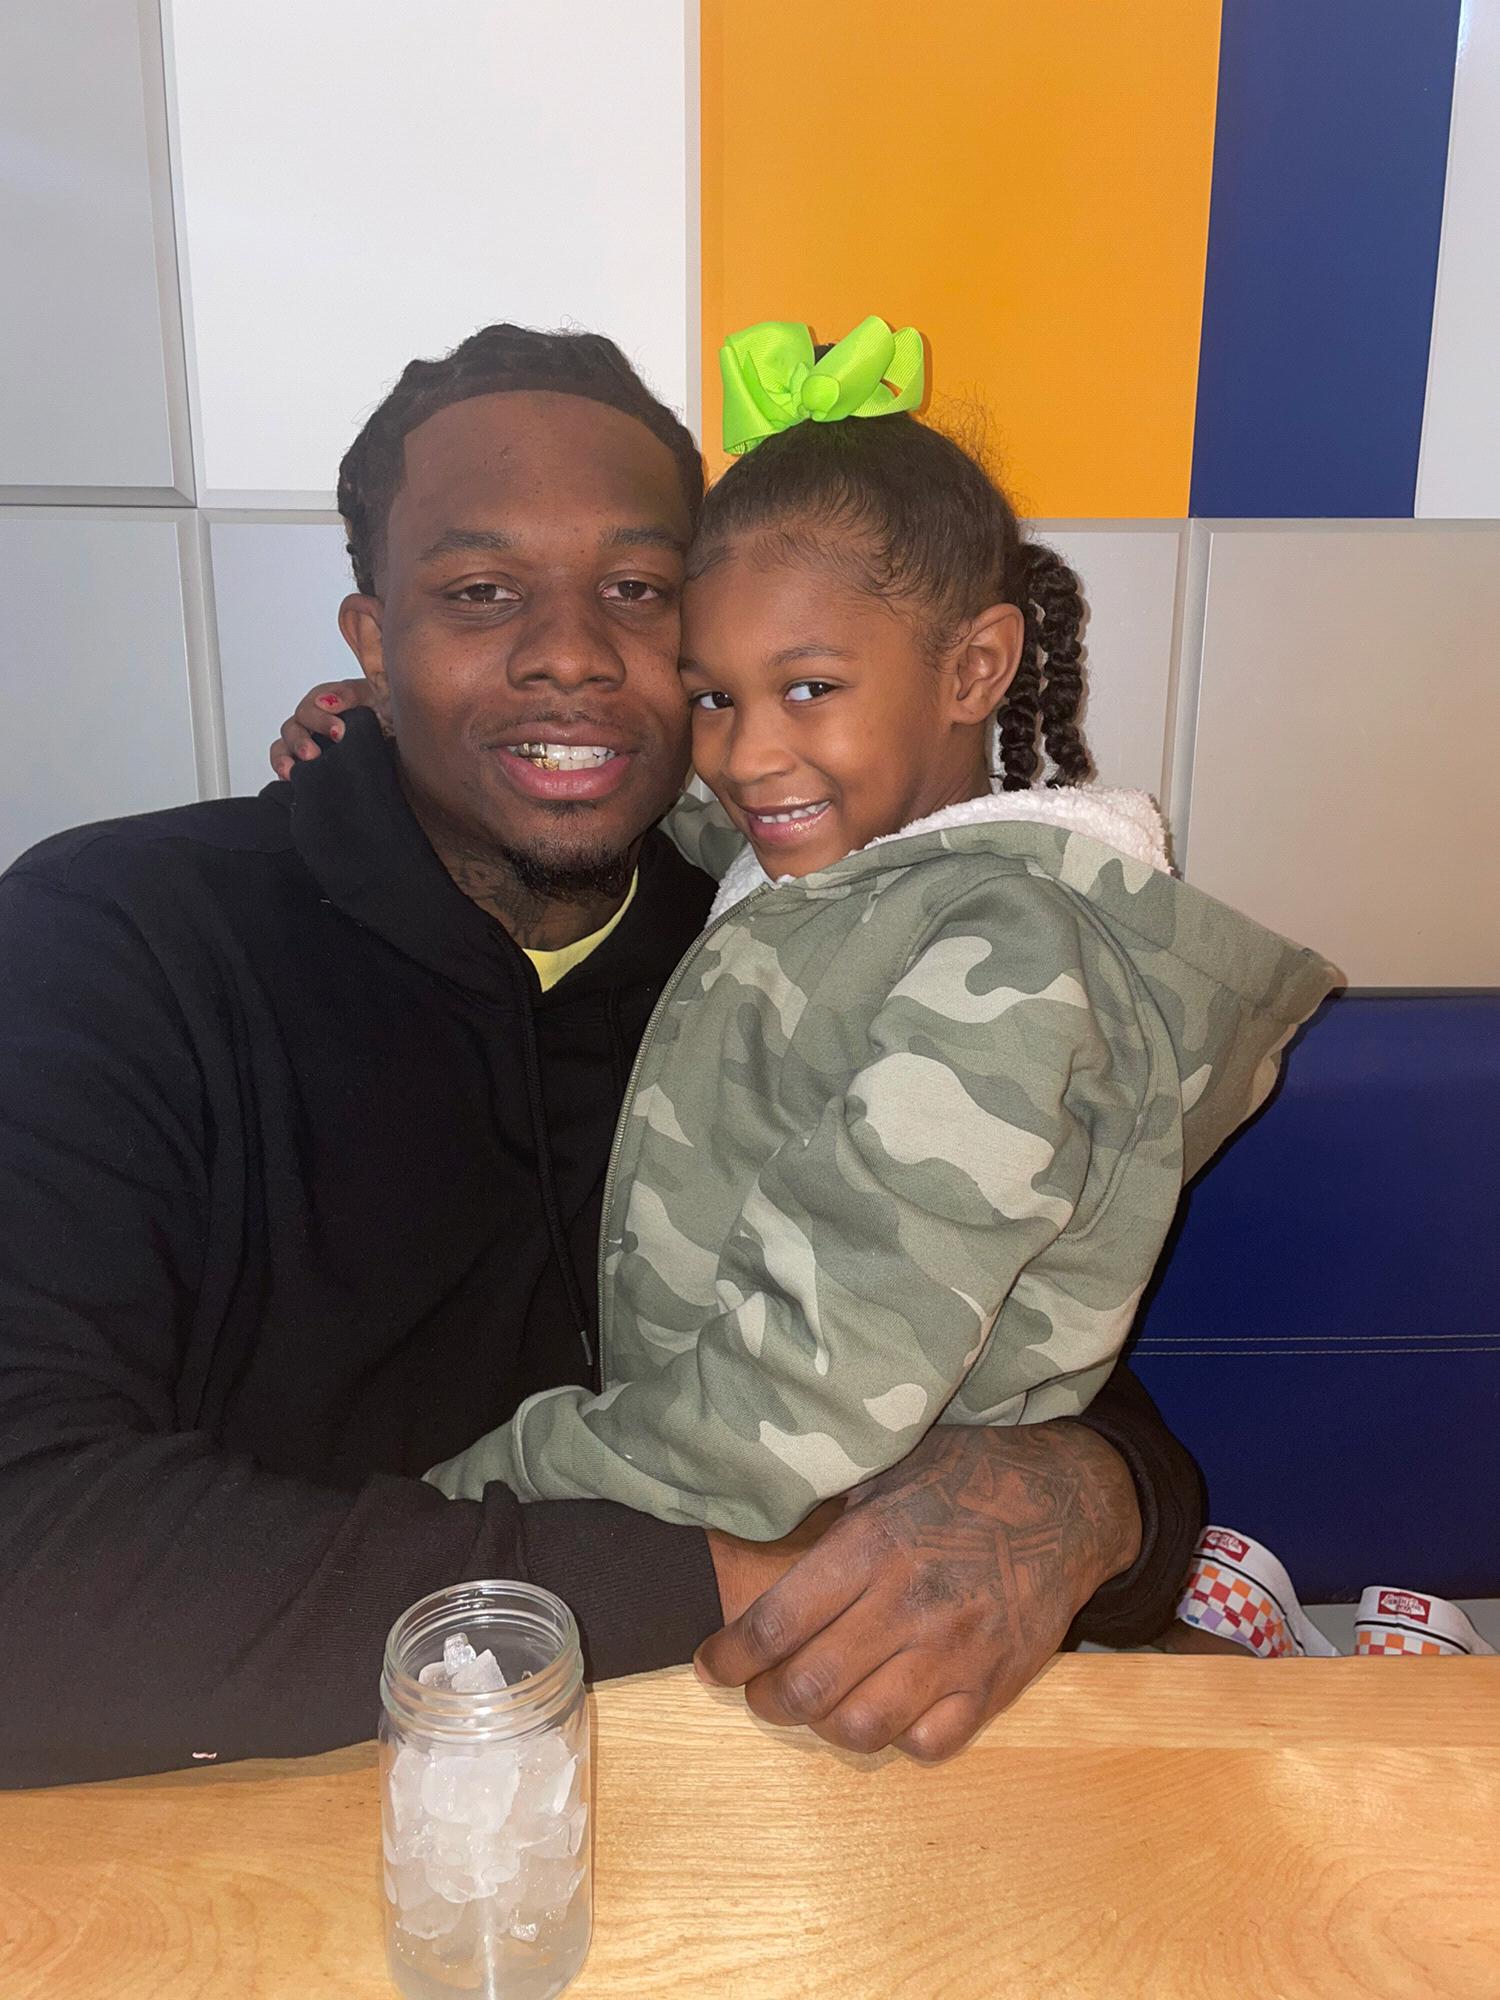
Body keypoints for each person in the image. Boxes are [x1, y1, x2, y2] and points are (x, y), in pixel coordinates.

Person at [0, 323, 1203, 1790]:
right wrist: (728, 1571)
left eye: (636, 590)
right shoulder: (116, 940)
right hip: (267, 1822)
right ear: (374, 643)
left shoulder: (799, 937)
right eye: (479, 592)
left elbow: (1035, 1351)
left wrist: (1091, 1496)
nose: (570, 651)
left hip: (772, 1804)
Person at [299, 318, 1336, 1540]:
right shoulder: (827, 862)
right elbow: (635, 808)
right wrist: (403, 730)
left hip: (836, 1543)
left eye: (808, 688)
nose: (747, 754)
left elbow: (807, 1390)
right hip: (735, 1500)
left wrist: (477, 1494)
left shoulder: (1008, 962)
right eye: (712, 696)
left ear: (974, 669)